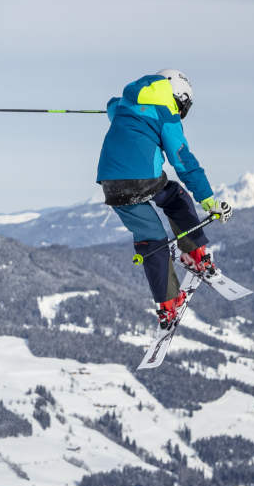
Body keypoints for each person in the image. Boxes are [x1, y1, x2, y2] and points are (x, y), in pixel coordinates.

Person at [96, 69, 232, 328]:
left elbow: (111, 105)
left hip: (110, 183)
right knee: (176, 198)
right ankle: (195, 253)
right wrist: (208, 200)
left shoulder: (127, 104)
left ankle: (167, 304)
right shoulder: (167, 114)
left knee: (151, 238)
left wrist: (121, 108)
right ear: (180, 97)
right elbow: (183, 160)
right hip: (142, 176)